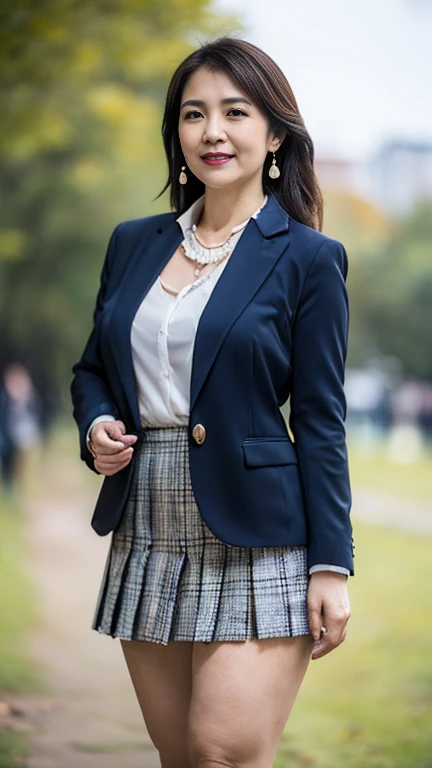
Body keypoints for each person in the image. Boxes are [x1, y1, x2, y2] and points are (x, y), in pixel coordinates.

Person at [70, 36, 355, 768]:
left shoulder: (308, 260)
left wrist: (333, 566)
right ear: (178, 136)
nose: (212, 132)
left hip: (258, 531)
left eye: (235, 112)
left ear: (274, 135)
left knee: (219, 752)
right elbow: (93, 369)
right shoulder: (132, 244)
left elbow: (321, 422)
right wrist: (99, 421)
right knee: (179, 758)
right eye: (194, 115)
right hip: (147, 520)